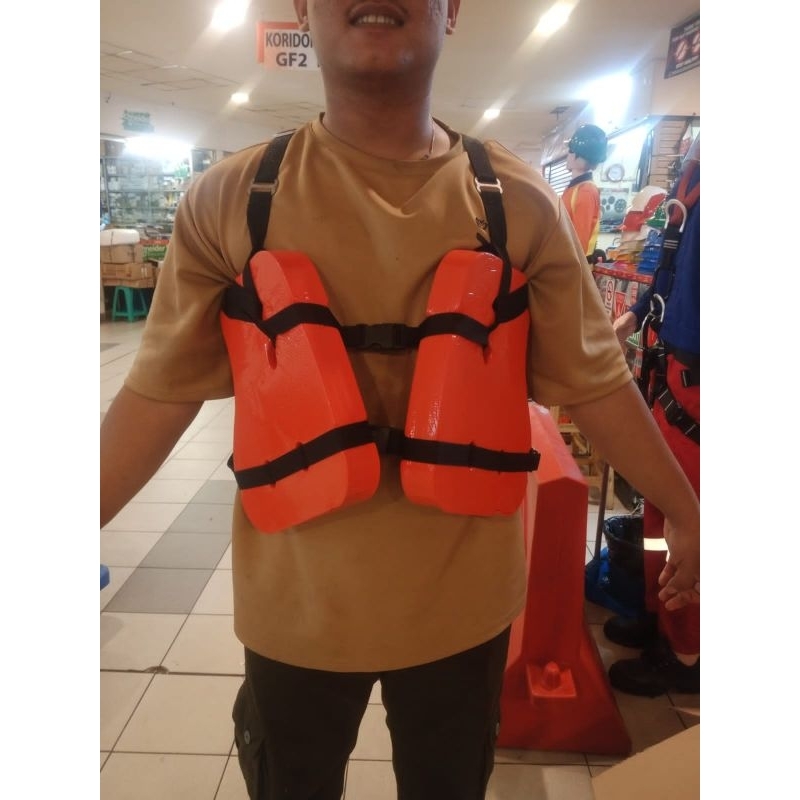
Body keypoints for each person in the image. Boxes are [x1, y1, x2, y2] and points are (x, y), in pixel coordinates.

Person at [100, 2, 700, 797]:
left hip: (465, 613)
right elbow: (157, 395)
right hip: (295, 613)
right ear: (301, 7)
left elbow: (597, 383)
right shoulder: (229, 199)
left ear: (452, 9)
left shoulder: (520, 202)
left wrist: (688, 512)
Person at [604, 133, 700, 697]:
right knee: (660, 514)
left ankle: (686, 655)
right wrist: (637, 312)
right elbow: (672, 258)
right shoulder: (693, 173)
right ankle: (658, 617)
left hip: (701, 384)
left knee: (691, 519)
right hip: (675, 374)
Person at [561, 123, 608, 258]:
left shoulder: (585, 190)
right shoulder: (574, 188)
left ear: (580, 157)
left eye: (571, 151)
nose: (568, 155)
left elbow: (580, 241)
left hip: (572, 265)